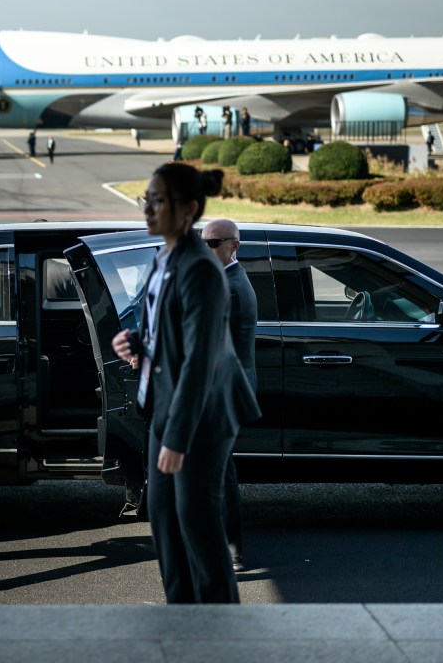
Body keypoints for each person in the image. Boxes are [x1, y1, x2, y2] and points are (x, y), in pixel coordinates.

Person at [111, 163, 261, 603]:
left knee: (195, 521)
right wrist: (136, 341)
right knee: (163, 515)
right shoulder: (166, 256)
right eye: (147, 198)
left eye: (159, 200)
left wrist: (177, 437)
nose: (149, 208)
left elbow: (201, 359)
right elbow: (167, 327)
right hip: (165, 408)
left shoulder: (202, 270)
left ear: (189, 209)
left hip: (200, 417)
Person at [201, 219, 257, 574]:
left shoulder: (230, 287)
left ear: (233, 245)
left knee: (220, 473)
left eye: (212, 244)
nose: (204, 250)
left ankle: (231, 551)